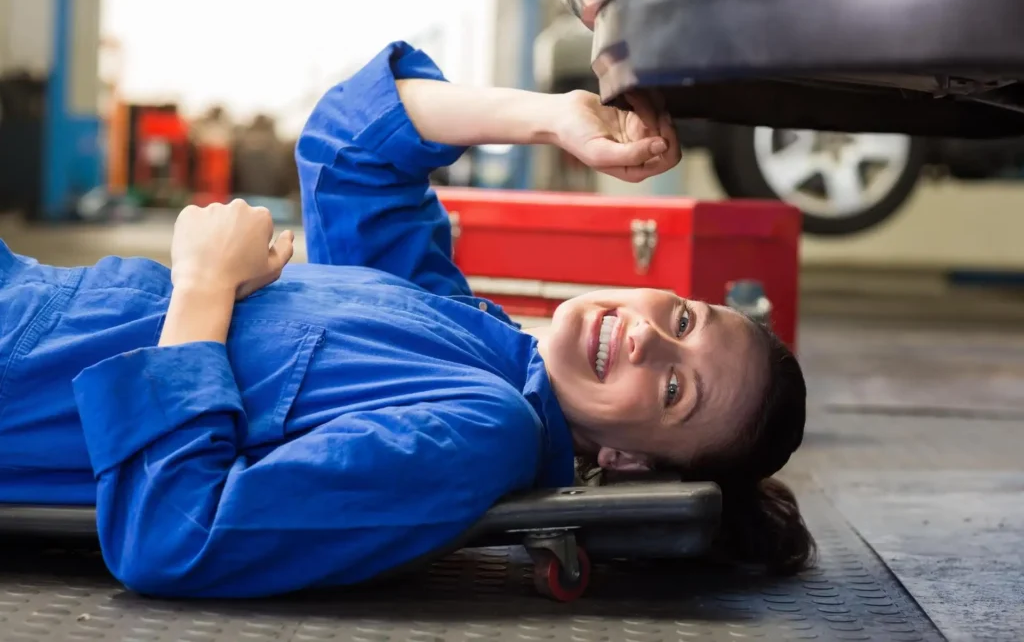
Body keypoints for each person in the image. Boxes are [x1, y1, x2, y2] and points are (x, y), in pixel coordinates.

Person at [0, 41, 813, 599]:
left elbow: (175, 532)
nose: (645, 334)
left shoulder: (479, 430)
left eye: (673, 385)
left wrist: (205, 286)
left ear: (630, 460)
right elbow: (353, 145)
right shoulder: (467, 327)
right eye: (678, 315)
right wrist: (554, 118)